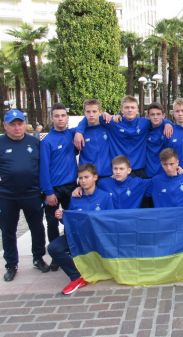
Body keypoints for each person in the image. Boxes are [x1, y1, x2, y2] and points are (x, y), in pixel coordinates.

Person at [48, 164, 114, 295]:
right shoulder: (75, 196)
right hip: (77, 236)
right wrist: (61, 217)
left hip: (95, 238)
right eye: (80, 178)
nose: (83, 181)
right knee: (53, 248)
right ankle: (76, 277)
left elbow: (110, 222)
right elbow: (70, 220)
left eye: (86, 177)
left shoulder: (105, 197)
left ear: (95, 177)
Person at [0, 109, 50, 282]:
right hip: (7, 196)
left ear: (24, 124)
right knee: (8, 231)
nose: (16, 127)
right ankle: (11, 264)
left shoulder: (35, 142)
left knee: (37, 228)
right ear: (5, 126)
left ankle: (38, 258)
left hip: (32, 194)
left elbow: (44, 167)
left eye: (19, 123)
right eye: (12, 124)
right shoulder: (0, 143)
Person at [40, 103, 78, 271]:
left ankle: (72, 250)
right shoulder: (47, 141)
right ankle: (56, 257)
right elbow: (44, 169)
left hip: (71, 187)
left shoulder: (71, 135)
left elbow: (84, 125)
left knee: (71, 220)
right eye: (57, 116)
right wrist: (48, 192)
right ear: (52, 118)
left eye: (63, 115)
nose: (60, 118)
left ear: (67, 117)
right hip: (53, 189)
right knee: (52, 223)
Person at [78, 99, 112, 178]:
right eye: (88, 112)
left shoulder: (108, 128)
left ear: (100, 112)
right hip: (88, 178)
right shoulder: (78, 133)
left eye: (94, 111)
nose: (91, 114)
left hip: (107, 176)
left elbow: (118, 119)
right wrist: (78, 132)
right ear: (84, 113)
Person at [145, 102, 168, 178]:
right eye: (152, 114)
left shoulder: (168, 129)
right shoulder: (144, 128)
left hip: (164, 172)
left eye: (158, 114)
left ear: (163, 115)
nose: (155, 117)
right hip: (148, 172)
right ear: (148, 116)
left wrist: (168, 123)